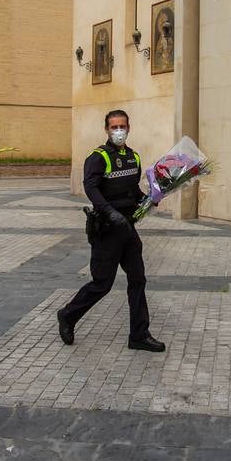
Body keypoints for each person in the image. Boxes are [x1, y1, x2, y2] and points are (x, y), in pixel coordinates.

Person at [56, 109, 166, 352]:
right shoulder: (98, 157)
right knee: (102, 284)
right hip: (107, 229)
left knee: (137, 279)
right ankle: (67, 315)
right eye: (114, 127)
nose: (118, 131)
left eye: (122, 126)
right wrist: (108, 212)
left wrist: (149, 199)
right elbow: (91, 187)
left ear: (129, 128)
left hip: (128, 228)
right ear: (107, 129)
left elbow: (133, 191)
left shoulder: (133, 157)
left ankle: (139, 334)